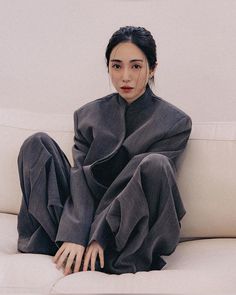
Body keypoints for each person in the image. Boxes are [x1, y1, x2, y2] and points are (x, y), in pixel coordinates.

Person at [17, 26, 192, 275]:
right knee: (37, 144)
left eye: (136, 66)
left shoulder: (175, 123)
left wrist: (98, 236)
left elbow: (142, 183)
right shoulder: (88, 115)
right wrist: (76, 232)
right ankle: (64, 245)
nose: (125, 77)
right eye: (116, 66)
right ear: (108, 67)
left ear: (152, 68)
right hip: (80, 219)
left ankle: (102, 253)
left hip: (129, 234)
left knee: (155, 164)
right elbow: (80, 179)